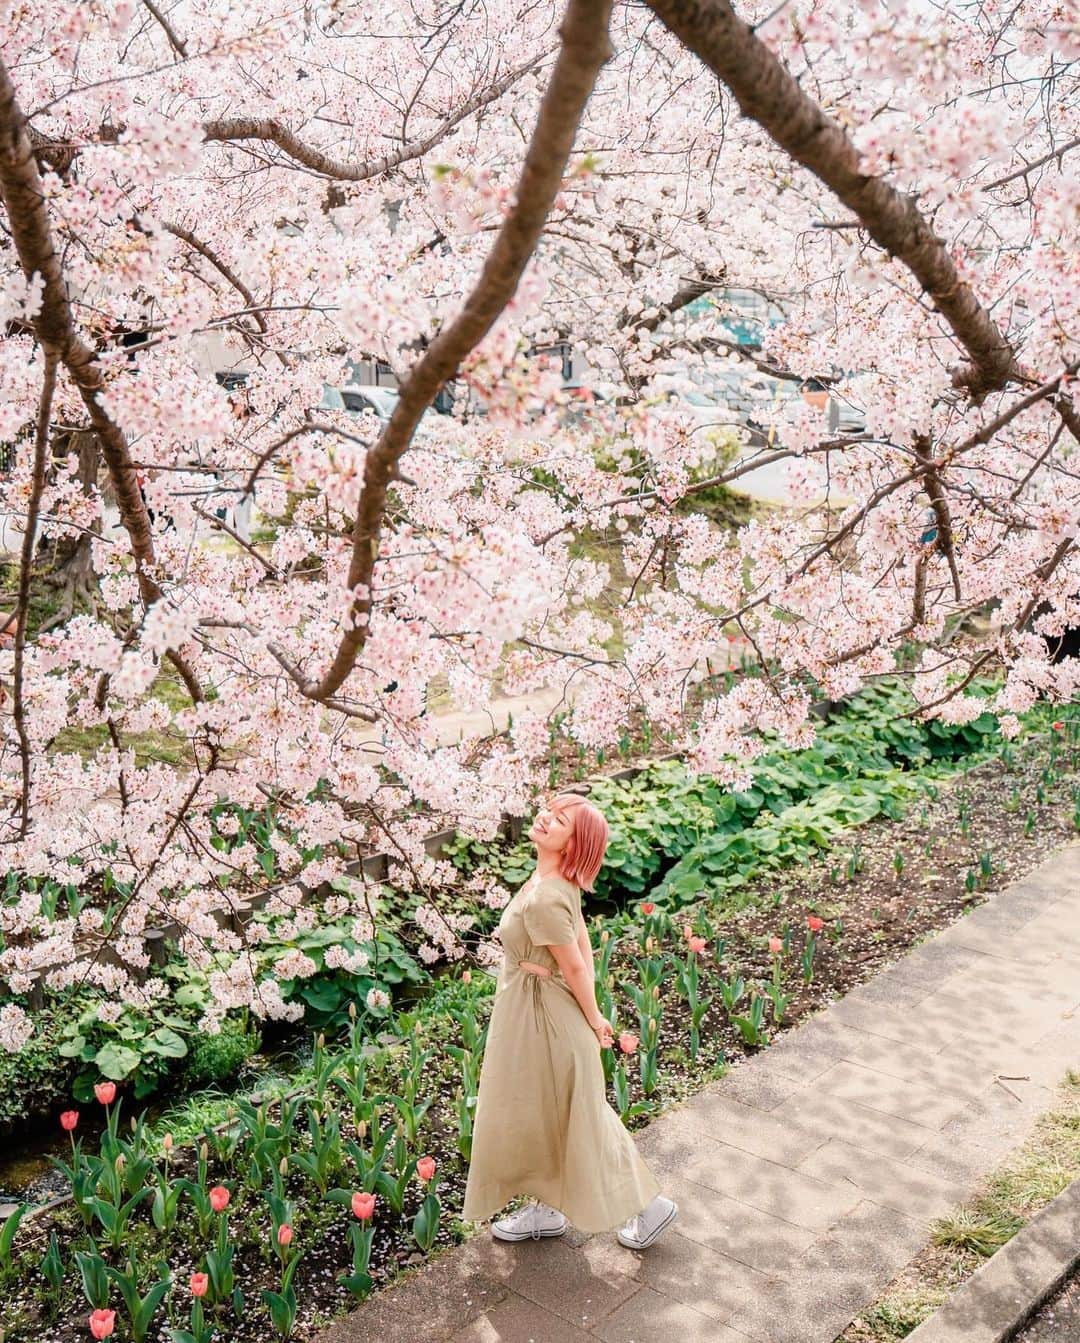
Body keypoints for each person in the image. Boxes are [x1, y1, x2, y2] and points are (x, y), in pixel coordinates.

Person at [462, 793, 678, 1250]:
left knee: (579, 1117)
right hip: (535, 1010)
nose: (544, 819)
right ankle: (547, 1208)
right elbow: (582, 950)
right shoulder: (553, 880)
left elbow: (578, 965)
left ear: (573, 844)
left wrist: (596, 1018)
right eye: (549, 811)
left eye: (559, 821)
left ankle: (650, 1207)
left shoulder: (546, 896)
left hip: (547, 1019)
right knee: (540, 1109)